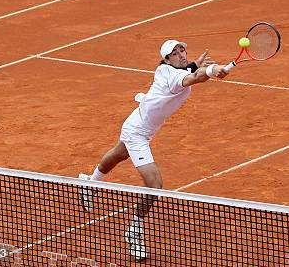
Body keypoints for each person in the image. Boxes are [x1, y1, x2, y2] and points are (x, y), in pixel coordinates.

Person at [78, 39, 229, 260]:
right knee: (155, 185)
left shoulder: (174, 69)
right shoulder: (169, 74)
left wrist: (196, 64)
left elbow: (190, 71)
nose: (181, 54)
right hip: (137, 132)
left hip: (139, 122)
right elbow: (194, 78)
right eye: (175, 53)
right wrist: (216, 69)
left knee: (120, 153)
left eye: (182, 50)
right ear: (166, 59)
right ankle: (134, 231)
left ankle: (90, 183)